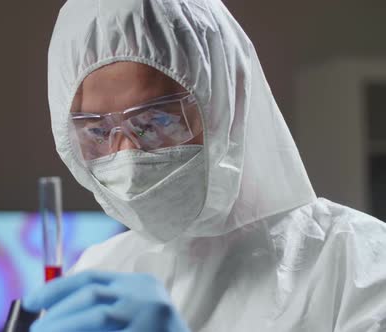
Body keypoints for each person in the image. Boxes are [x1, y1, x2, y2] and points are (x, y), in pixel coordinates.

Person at [23, 0, 386, 331]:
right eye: (98, 131)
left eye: (154, 122)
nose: (126, 156)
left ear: (227, 106)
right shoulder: (99, 270)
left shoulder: (360, 264)